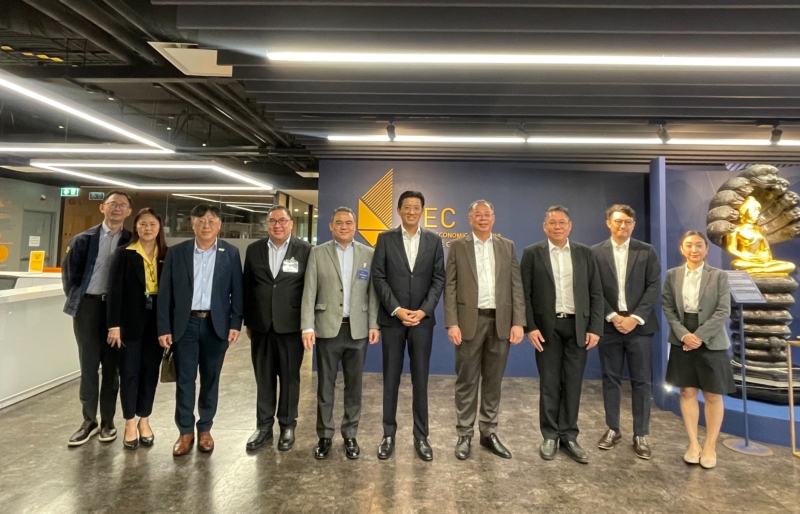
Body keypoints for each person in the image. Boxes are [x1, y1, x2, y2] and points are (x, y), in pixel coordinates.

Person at [157, 204, 243, 457]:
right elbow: (165, 293)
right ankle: (185, 431)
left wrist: (235, 323)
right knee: (185, 380)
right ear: (192, 223)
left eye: (212, 220)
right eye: (201, 220)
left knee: (211, 379)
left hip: (216, 326)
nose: (207, 224)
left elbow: (237, 292)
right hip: (185, 325)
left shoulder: (230, 253)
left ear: (219, 225)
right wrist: (164, 327)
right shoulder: (177, 253)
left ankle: (205, 428)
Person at [520, 205, 603, 464]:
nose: (557, 226)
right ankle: (549, 435)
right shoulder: (532, 253)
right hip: (547, 329)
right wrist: (530, 327)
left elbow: (596, 292)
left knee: (573, 383)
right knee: (549, 383)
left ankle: (569, 435)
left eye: (562, 222)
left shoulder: (584, 253)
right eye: (552, 222)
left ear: (570, 226)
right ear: (544, 227)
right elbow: (524, 294)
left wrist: (595, 328)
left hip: (578, 327)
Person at [444, 200, 526, 460]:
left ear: (493, 218)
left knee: (493, 380)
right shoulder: (458, 246)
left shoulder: (507, 246)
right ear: (470, 219)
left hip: (500, 322)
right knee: (466, 380)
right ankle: (464, 434)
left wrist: (518, 322)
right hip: (469, 322)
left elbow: (516, 286)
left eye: (487, 214)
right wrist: (452, 322)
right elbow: (450, 286)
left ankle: (489, 432)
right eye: (477, 215)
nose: (482, 218)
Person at [300, 207, 380, 460]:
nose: (344, 227)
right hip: (327, 328)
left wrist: (374, 324)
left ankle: (350, 434)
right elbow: (309, 291)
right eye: (339, 223)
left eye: (348, 223)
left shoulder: (368, 253)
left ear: (355, 226)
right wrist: (307, 326)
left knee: (354, 386)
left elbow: (373, 293)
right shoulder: (318, 253)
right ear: (331, 226)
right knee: (325, 385)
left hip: (357, 329)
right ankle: (324, 435)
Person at [371, 190, 445, 461]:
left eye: (416, 207)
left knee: (420, 380)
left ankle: (421, 437)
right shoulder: (385, 239)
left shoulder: (434, 241)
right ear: (399, 210)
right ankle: (388, 435)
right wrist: (397, 309)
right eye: (407, 207)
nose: (412, 211)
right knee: (390, 379)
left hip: (422, 323)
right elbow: (378, 277)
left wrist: (423, 311)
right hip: (393, 320)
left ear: (422, 210)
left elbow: (439, 279)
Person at [591, 204, 661, 460]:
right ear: (609, 223)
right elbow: (593, 289)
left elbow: (653, 286)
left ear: (633, 224)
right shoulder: (595, 253)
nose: (623, 226)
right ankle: (613, 429)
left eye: (628, 222)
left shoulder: (647, 251)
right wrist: (612, 316)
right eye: (618, 221)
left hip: (639, 328)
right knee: (610, 379)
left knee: (642, 381)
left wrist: (635, 318)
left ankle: (640, 434)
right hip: (609, 326)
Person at [62, 191, 132, 446]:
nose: (117, 209)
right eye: (113, 204)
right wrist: (82, 302)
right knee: (89, 365)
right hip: (88, 308)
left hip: (117, 311)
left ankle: (108, 420)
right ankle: (88, 420)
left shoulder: (131, 240)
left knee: (112, 367)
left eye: (122, 205)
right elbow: (69, 277)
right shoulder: (83, 240)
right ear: (102, 208)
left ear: (128, 212)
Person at [662, 231, 735, 470]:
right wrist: (684, 335)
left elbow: (723, 310)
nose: (694, 249)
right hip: (682, 336)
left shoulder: (719, 276)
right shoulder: (672, 275)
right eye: (689, 245)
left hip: (712, 339)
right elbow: (668, 307)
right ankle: (693, 444)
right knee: (687, 392)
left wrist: (700, 337)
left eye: (699, 245)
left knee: (713, 394)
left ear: (706, 249)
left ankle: (710, 445)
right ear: (682, 249)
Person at [243, 206, 312, 452]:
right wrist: (248, 321)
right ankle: (263, 426)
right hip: (261, 326)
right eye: (272, 221)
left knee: (290, 379)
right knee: (263, 378)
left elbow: (310, 288)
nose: (277, 225)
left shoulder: (305, 250)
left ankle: (287, 425)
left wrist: (308, 325)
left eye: (282, 220)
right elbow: (247, 287)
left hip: (291, 326)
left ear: (291, 224)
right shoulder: (254, 250)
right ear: (267, 225)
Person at [107, 208, 168, 449]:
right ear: (136, 227)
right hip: (129, 322)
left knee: (150, 373)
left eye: (152, 224)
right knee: (129, 372)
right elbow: (114, 292)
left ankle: (145, 419)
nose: (148, 228)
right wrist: (114, 325)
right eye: (143, 224)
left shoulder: (167, 255)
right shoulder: (124, 254)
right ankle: (129, 422)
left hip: (157, 323)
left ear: (159, 227)